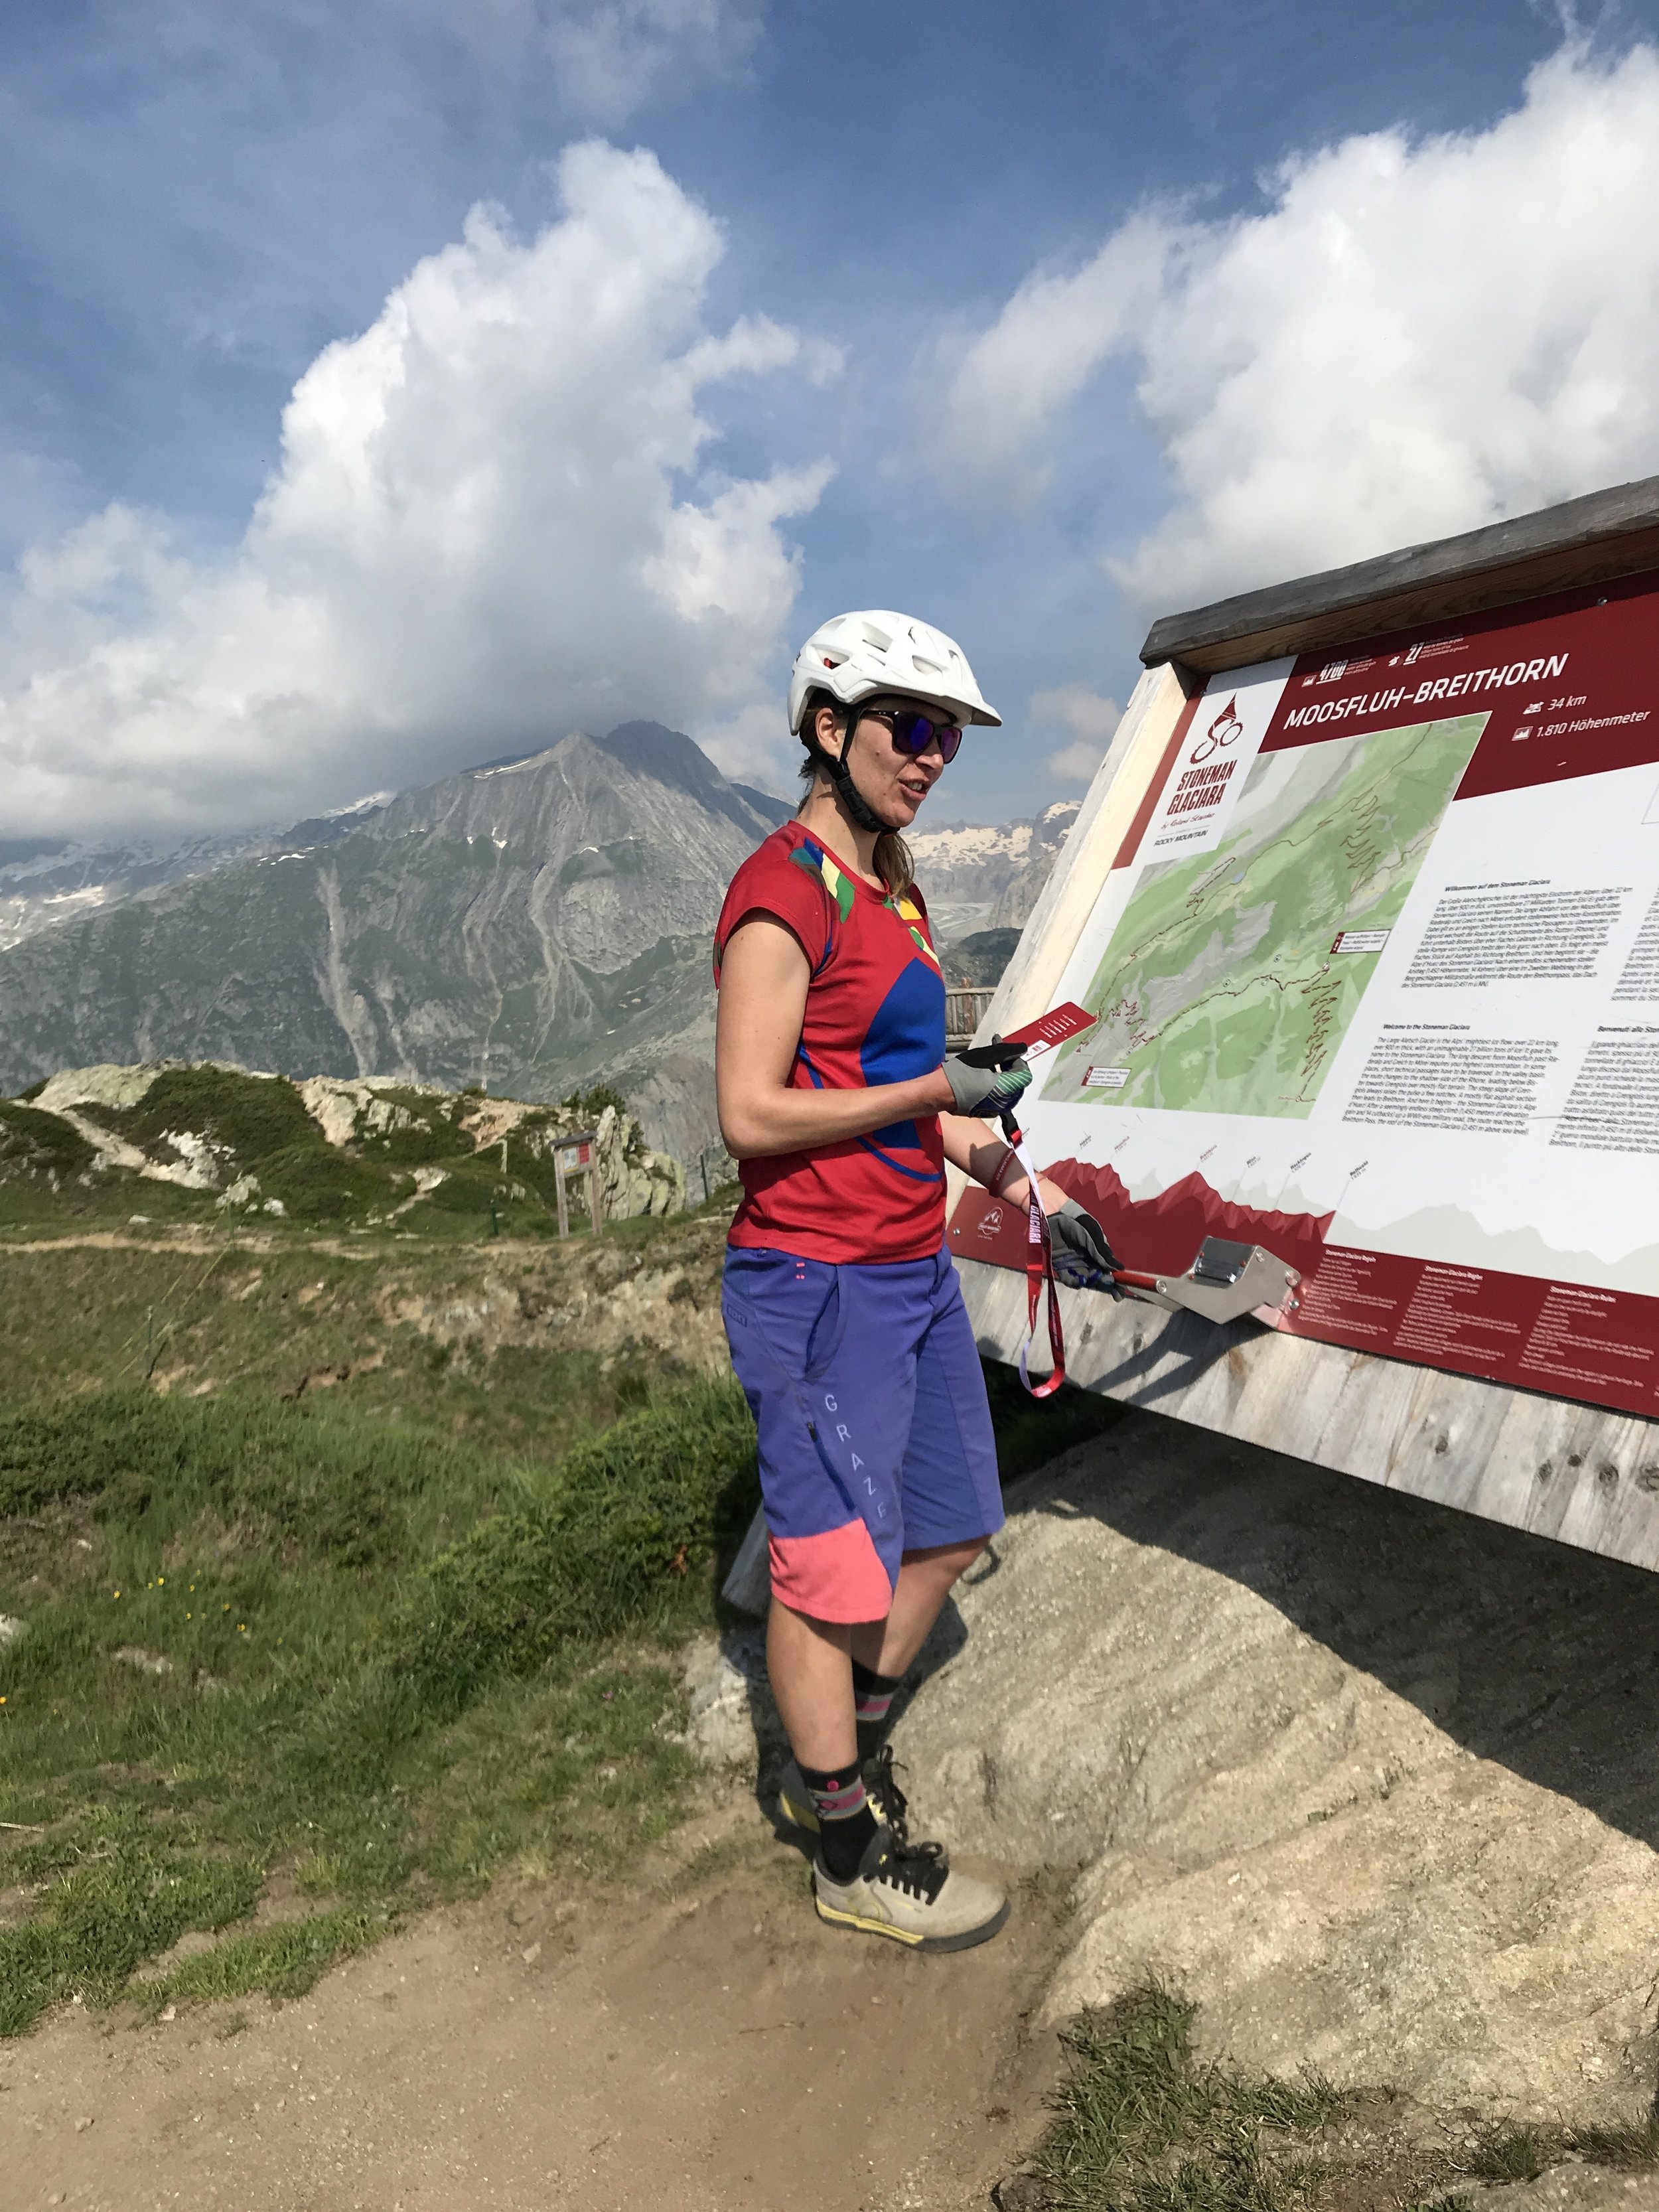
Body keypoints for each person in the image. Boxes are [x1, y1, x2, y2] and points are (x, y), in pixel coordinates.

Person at [713, 609, 1115, 1951]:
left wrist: (1017, 1182)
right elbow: (752, 1115)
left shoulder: (891, 884)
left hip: (910, 1272)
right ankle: (843, 1842)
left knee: (942, 1530)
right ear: (828, 729)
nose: (934, 754)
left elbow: (909, 1102)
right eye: (912, 726)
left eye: (947, 734)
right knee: (828, 1579)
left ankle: (840, 1757)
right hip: (815, 1287)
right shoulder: (782, 891)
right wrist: (932, 1084)